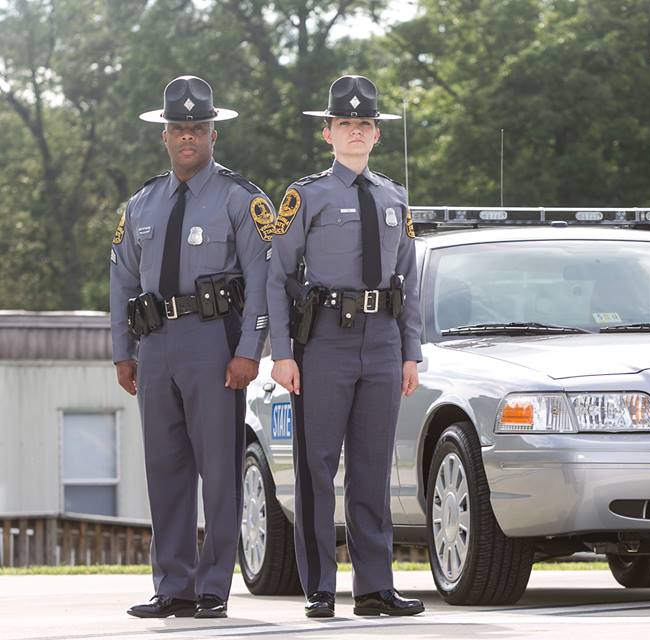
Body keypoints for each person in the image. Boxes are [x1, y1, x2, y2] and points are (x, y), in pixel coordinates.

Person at [109, 75, 274, 619]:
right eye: (178, 129)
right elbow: (122, 282)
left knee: (218, 469)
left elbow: (262, 280)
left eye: (197, 129)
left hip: (214, 342)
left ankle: (212, 589)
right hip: (156, 344)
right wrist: (122, 351)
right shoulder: (141, 204)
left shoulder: (241, 200)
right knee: (166, 467)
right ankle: (172, 585)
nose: (187, 138)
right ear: (164, 136)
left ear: (212, 135)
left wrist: (250, 349)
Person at [267, 75, 424, 618]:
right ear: (328, 133)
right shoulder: (303, 196)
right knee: (316, 467)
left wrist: (412, 352)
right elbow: (277, 275)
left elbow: (409, 278)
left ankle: (375, 587)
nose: (355, 133)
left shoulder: (393, 197)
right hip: (325, 342)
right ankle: (320, 586)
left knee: (372, 466)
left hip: (381, 341)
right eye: (345, 125)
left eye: (364, 125)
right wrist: (282, 352)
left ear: (376, 134)